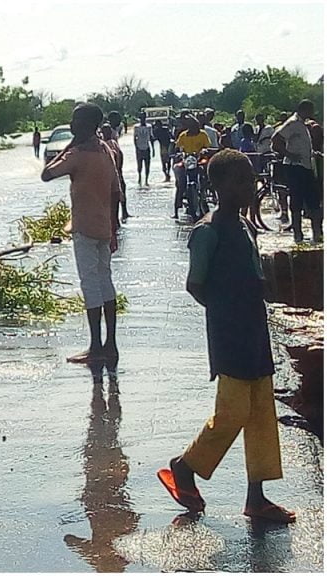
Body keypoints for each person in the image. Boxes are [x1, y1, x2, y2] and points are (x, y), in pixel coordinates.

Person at [157, 149, 295, 525]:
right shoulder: (207, 231)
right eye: (241, 181)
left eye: (250, 179)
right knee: (233, 412)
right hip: (230, 332)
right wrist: (223, 314)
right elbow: (195, 284)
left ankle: (257, 497)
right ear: (219, 186)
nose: (249, 187)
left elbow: (256, 278)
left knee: (261, 413)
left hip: (254, 329)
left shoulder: (245, 227)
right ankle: (184, 467)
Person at [41, 103, 120, 364]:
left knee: (90, 284)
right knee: (105, 281)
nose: (72, 125)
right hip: (105, 227)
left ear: (86, 125)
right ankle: (111, 345)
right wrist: (114, 228)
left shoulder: (75, 154)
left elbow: (46, 174)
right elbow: (115, 191)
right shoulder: (106, 151)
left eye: (75, 122)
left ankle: (96, 346)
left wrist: (68, 145)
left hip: (85, 228)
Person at [273, 100, 322, 243]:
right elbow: (275, 139)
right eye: (311, 111)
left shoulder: (303, 125)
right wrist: (288, 154)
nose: (312, 114)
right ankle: (298, 235)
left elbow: (300, 145)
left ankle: (316, 234)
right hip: (295, 167)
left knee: (313, 200)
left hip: (306, 166)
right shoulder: (292, 123)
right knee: (297, 201)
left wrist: (313, 153)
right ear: (305, 110)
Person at [173, 116, 211, 219]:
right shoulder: (183, 135)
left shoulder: (202, 134)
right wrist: (178, 153)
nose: (192, 128)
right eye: (189, 125)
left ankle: (206, 187)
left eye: (193, 125)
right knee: (179, 175)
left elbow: (207, 146)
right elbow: (177, 148)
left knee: (206, 166)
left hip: (199, 160)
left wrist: (204, 151)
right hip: (187, 161)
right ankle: (177, 206)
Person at [101, 123, 129, 222]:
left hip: (116, 173)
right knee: (114, 197)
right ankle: (115, 219)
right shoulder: (103, 145)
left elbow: (120, 155)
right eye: (105, 131)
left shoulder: (112, 143)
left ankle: (123, 213)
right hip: (110, 176)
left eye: (108, 131)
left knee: (120, 192)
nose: (107, 133)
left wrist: (119, 169)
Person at [133, 111, 154, 187]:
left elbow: (151, 138)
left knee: (147, 165)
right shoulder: (136, 127)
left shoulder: (149, 127)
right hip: (139, 148)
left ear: (145, 118)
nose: (142, 119)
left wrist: (153, 149)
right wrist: (136, 147)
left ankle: (146, 180)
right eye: (141, 118)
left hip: (147, 147)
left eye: (144, 118)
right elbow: (135, 138)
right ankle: (139, 177)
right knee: (139, 165)